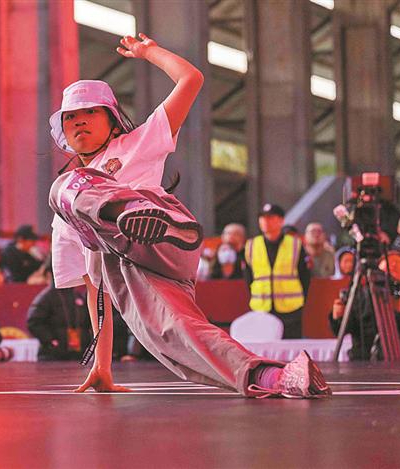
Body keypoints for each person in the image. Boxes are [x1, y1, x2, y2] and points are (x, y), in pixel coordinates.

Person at [47, 33, 329, 398]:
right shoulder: (65, 210)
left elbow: (191, 79)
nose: (79, 121)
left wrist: (149, 52)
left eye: (90, 112)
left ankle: (141, 214)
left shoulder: (139, 141)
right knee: (172, 336)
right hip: (135, 270)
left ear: (113, 120)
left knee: (67, 185)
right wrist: (102, 366)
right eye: (71, 116)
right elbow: (95, 290)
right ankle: (272, 377)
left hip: (167, 236)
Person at [329, 251, 400, 360]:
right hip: (363, 360)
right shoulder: (358, 295)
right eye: (389, 261)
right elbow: (341, 331)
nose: (394, 265)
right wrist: (338, 317)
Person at [244, 203, 311, 339]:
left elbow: (305, 275)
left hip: (290, 309)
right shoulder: (251, 245)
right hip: (262, 308)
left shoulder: (295, 244)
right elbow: (248, 276)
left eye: (270, 217)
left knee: (291, 347)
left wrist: (301, 300)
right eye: (262, 218)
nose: (265, 221)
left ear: (281, 221)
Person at [27, 265, 92, 361]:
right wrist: (50, 340)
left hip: (76, 354)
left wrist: (86, 339)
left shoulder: (77, 295)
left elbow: (87, 321)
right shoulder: (46, 297)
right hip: (52, 356)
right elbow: (33, 322)